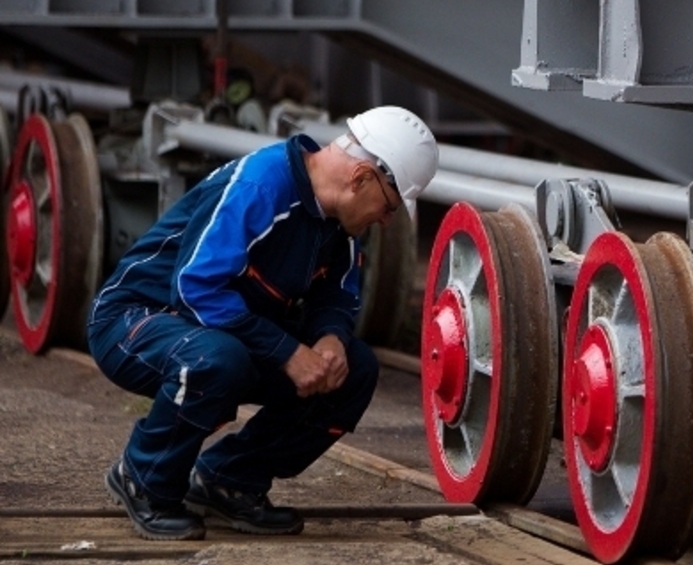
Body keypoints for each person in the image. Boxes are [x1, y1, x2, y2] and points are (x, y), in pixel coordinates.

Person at [87, 106, 438, 541]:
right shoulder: (261, 185)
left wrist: (331, 339)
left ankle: (227, 480)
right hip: (136, 318)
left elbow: (337, 295)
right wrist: (288, 353)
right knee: (217, 360)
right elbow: (196, 289)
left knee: (354, 371)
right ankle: (143, 477)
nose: (387, 221)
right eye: (388, 207)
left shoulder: (341, 224)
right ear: (361, 177)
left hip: (220, 330)